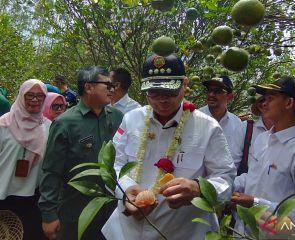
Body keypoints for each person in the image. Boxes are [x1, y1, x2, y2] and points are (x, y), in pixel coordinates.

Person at [102, 54, 236, 240]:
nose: (162, 100)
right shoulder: (131, 119)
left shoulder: (208, 127)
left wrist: (199, 189)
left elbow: (225, 178)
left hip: (182, 232)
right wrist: (126, 188)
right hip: (126, 232)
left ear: (185, 84)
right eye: (154, 93)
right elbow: (113, 164)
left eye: (169, 92)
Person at [231, 77, 295, 235]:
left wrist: (255, 204)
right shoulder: (263, 139)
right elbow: (252, 177)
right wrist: (224, 187)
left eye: (270, 98)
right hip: (242, 232)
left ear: (288, 103)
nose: (263, 103)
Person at [39, 67, 123, 240]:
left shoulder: (118, 118)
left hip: (113, 211)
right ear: (89, 87)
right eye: (107, 84)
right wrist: (49, 214)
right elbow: (51, 171)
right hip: (75, 212)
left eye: (113, 85)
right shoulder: (65, 123)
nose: (112, 89)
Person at [0, 79, 50, 240]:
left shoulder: (48, 126)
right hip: (3, 194)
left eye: (39, 96)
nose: (34, 100)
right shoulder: (3, 125)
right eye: (29, 95)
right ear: (21, 96)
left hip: (33, 197)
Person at [199, 76, 244, 169]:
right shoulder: (194, 118)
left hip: (228, 180)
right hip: (196, 180)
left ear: (230, 97)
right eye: (209, 90)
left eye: (218, 91)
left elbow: (236, 157)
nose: (211, 94)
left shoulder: (237, 124)